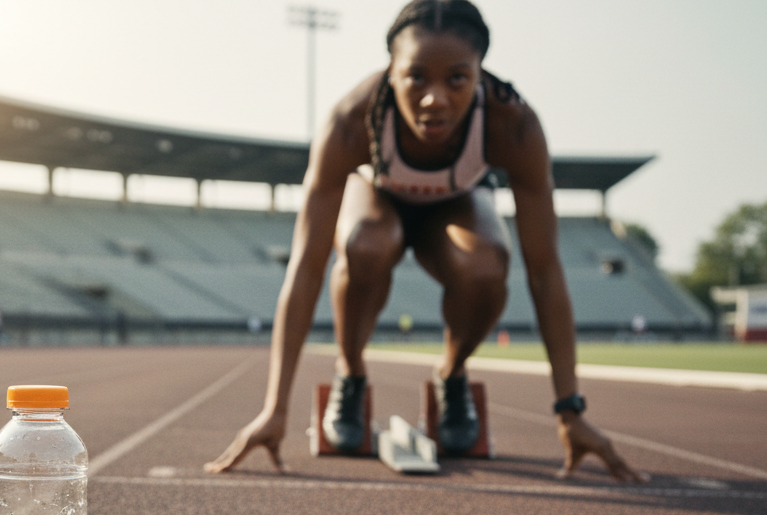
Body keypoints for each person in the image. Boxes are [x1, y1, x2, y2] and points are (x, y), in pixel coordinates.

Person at [206, 0, 645, 482]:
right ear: (390, 72)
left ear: (479, 74)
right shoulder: (349, 122)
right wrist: (275, 408)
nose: (435, 98)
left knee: (487, 264)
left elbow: (543, 271)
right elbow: (307, 268)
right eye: (416, 77)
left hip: (458, 204)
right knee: (367, 244)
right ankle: (350, 375)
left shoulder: (513, 125)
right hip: (377, 197)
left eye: (456, 78)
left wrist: (570, 409)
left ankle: (451, 375)